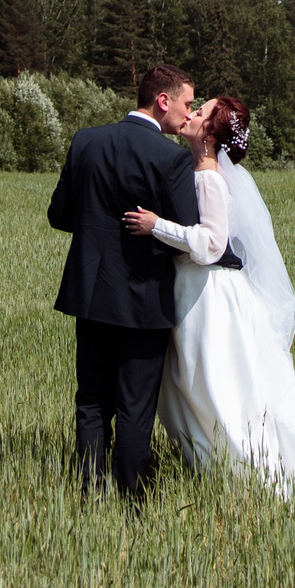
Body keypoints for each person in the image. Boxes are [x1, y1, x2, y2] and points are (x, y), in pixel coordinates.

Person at [122, 94, 295, 496]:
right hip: (198, 288)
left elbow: (211, 244)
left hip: (208, 295)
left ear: (210, 131)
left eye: (200, 111)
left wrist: (157, 225)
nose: (190, 114)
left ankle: (252, 477)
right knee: (201, 387)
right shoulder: (197, 168)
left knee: (213, 387)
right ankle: (226, 471)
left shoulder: (207, 175)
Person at [46, 64, 200, 500]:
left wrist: (99, 228)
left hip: (91, 294)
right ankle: (132, 500)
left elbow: (59, 215)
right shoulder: (170, 158)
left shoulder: (86, 141)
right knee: (136, 407)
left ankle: (89, 494)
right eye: (187, 104)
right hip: (143, 301)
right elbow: (184, 237)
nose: (189, 114)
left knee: (92, 399)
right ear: (162, 101)